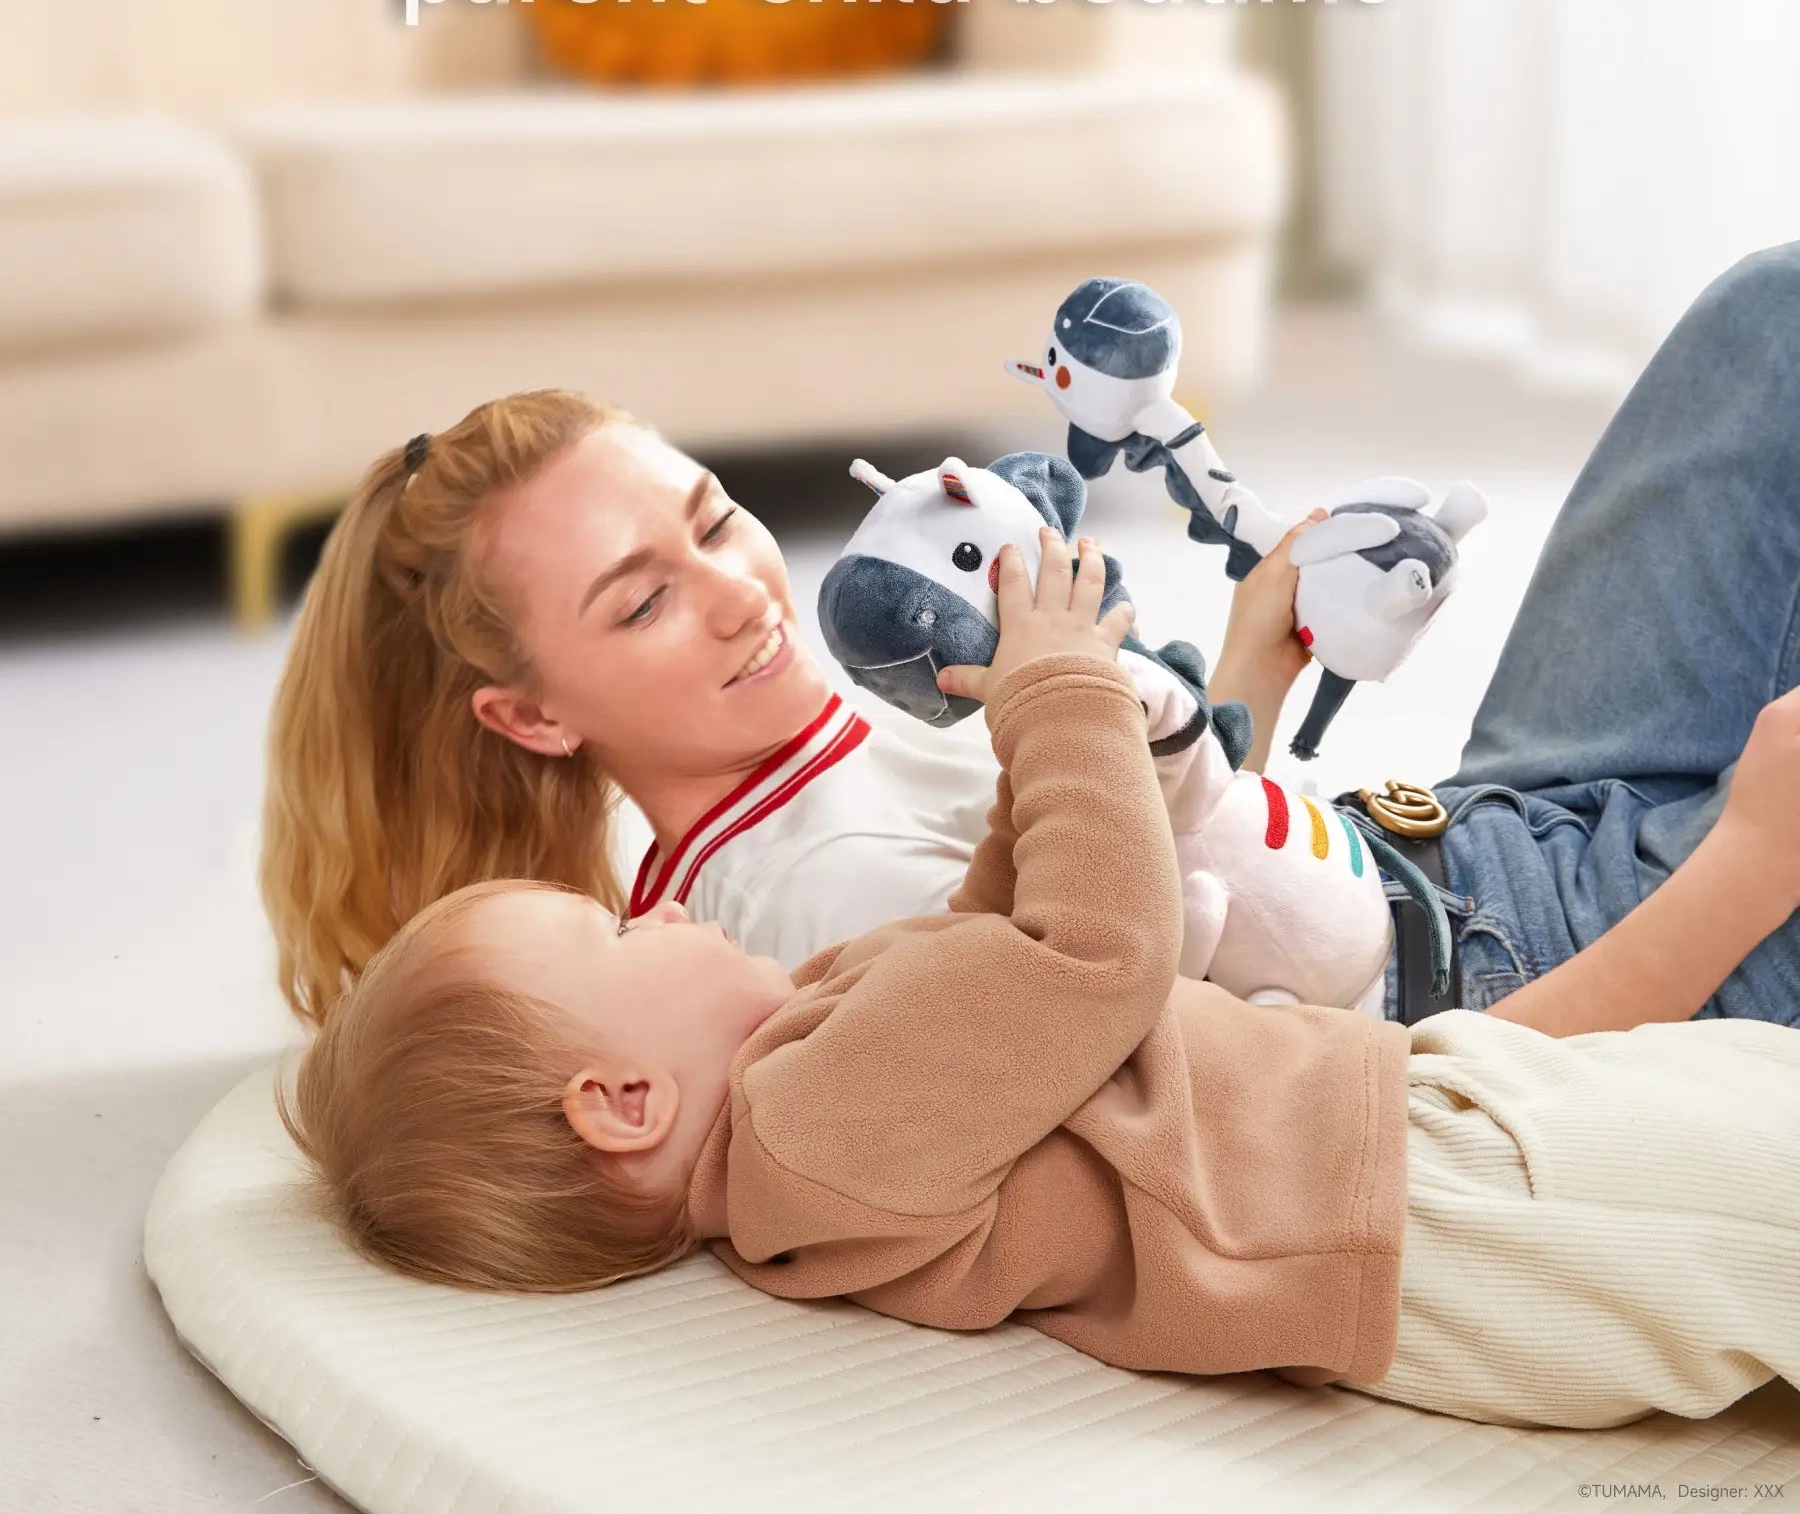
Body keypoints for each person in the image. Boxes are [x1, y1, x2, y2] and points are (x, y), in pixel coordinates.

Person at [279, 529, 1800, 1431]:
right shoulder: (807, 1131)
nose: (654, 917)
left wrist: (1041, 766)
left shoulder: (817, 1097)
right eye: (616, 941)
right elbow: (1100, 961)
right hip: (1444, 1211)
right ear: (622, 1102)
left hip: (1418, 1142)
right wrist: (1056, 691)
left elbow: (1002, 958)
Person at [262, 242, 1800, 1033]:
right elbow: (1332, 1101)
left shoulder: (820, 743)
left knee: (1769, 315)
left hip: (1456, 831)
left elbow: (1178, 825)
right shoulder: (823, 904)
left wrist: (1257, 645)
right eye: (642, 599)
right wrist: (1742, 872)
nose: (741, 591)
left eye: (715, 520)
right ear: (528, 717)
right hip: (1545, 971)